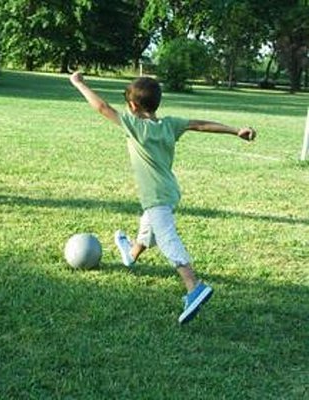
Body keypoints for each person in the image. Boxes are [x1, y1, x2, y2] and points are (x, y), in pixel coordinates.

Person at [69, 72, 257, 324]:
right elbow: (199, 124)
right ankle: (130, 255)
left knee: (167, 238)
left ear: (133, 106)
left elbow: (102, 107)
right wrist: (235, 130)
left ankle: (194, 287)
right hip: (169, 191)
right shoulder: (170, 124)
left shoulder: (135, 126)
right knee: (148, 228)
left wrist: (79, 83)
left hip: (156, 196)